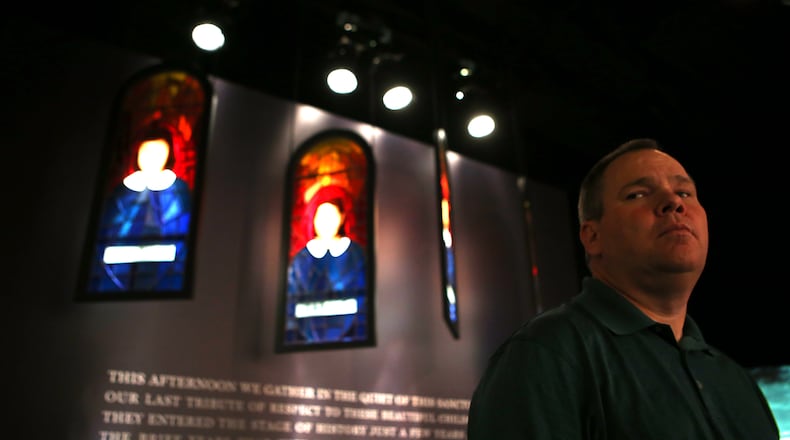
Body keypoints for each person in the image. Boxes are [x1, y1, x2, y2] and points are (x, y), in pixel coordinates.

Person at [467, 138, 779, 439]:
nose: (673, 202)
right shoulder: (546, 356)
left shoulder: (737, 380)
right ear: (592, 237)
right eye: (637, 194)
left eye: (684, 192)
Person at [91, 124, 192, 292]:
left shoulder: (177, 189)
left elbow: (183, 221)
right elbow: (108, 225)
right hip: (120, 259)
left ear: (169, 155)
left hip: (165, 260)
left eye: (159, 152)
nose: (152, 158)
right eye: (146, 152)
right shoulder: (123, 189)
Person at [285, 185, 367, 344]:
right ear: (313, 219)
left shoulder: (356, 254)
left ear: (342, 217)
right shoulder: (301, 259)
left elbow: (364, 301)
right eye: (321, 216)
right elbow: (291, 303)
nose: (326, 222)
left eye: (332, 215)